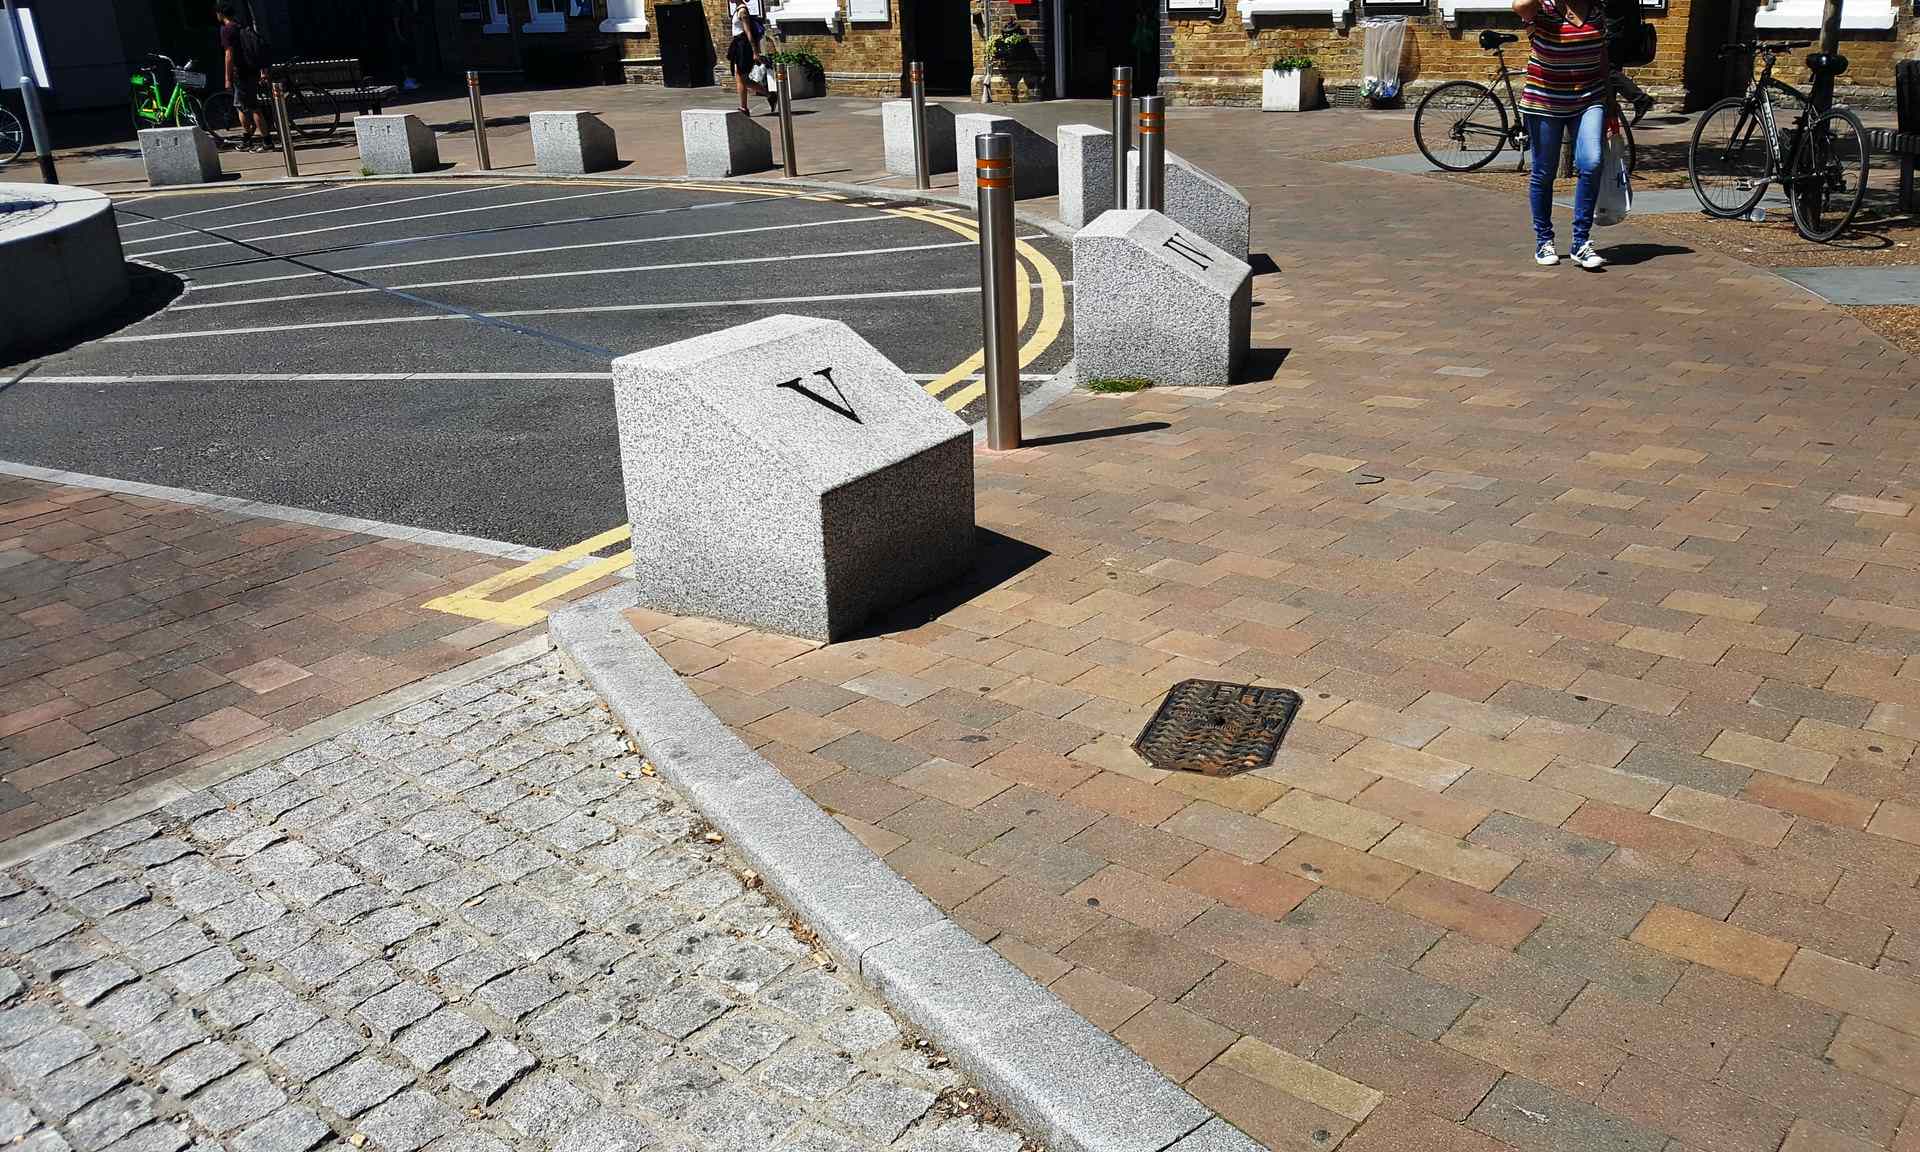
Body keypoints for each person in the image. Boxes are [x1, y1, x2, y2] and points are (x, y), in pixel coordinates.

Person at [1513, 0, 1609, 269]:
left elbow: (1602, 54)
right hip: (1544, 100)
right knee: (1544, 172)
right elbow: (1519, 6)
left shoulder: (1596, 8)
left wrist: (1610, 101)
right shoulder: (1542, 8)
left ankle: (1581, 242)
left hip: (1589, 98)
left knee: (1591, 163)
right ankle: (1544, 240)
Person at [216, 3, 271, 153]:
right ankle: (247, 139)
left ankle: (267, 141)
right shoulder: (241, 26)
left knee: (252, 108)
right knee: (241, 106)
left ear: (220, 14)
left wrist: (227, 78)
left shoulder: (226, 30)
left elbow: (229, 55)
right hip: (251, 71)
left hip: (240, 73)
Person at [727, 0, 776, 116]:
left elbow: (749, 33)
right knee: (740, 77)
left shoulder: (742, 11)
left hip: (744, 46)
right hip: (738, 44)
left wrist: (755, 52)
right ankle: (767, 96)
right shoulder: (738, 9)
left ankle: (745, 107)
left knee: (742, 78)